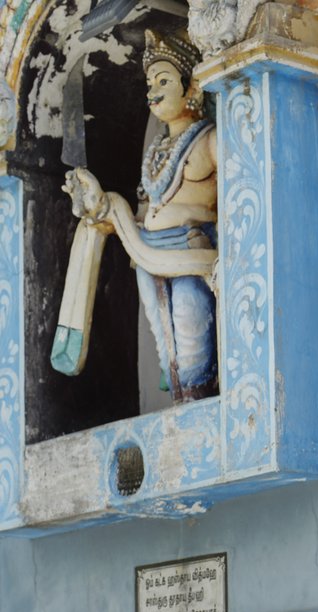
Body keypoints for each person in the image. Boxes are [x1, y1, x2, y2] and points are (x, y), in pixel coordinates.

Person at [57, 30, 218, 402]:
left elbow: (238, 198)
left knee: (193, 335)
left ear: (191, 85)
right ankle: (183, 404)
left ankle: (198, 403)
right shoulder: (157, 150)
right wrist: (98, 206)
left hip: (191, 254)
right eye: (149, 83)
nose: (153, 92)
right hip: (148, 253)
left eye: (163, 81)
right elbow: (143, 211)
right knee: (166, 344)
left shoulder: (210, 140)